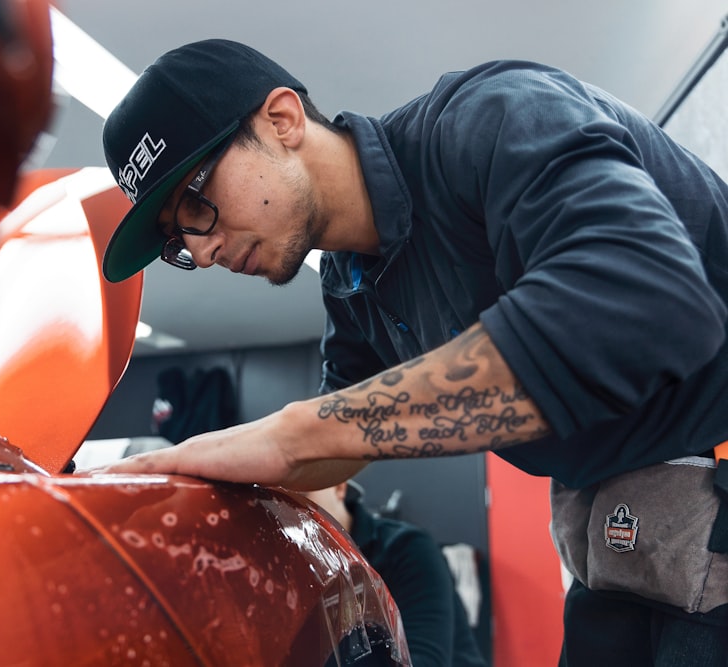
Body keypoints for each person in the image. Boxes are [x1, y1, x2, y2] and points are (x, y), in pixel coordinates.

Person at [96, 39, 728, 663]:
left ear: (282, 119)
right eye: (178, 239)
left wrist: (291, 435)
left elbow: (650, 305)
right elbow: (332, 454)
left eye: (195, 204)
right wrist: (189, 480)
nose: (201, 251)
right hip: (617, 535)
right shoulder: (350, 287)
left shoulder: (491, 119)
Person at [303, 481, 487, 667]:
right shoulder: (292, 572)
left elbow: (425, 660)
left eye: (303, 496)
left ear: (339, 486)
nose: (290, 514)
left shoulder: (406, 549)